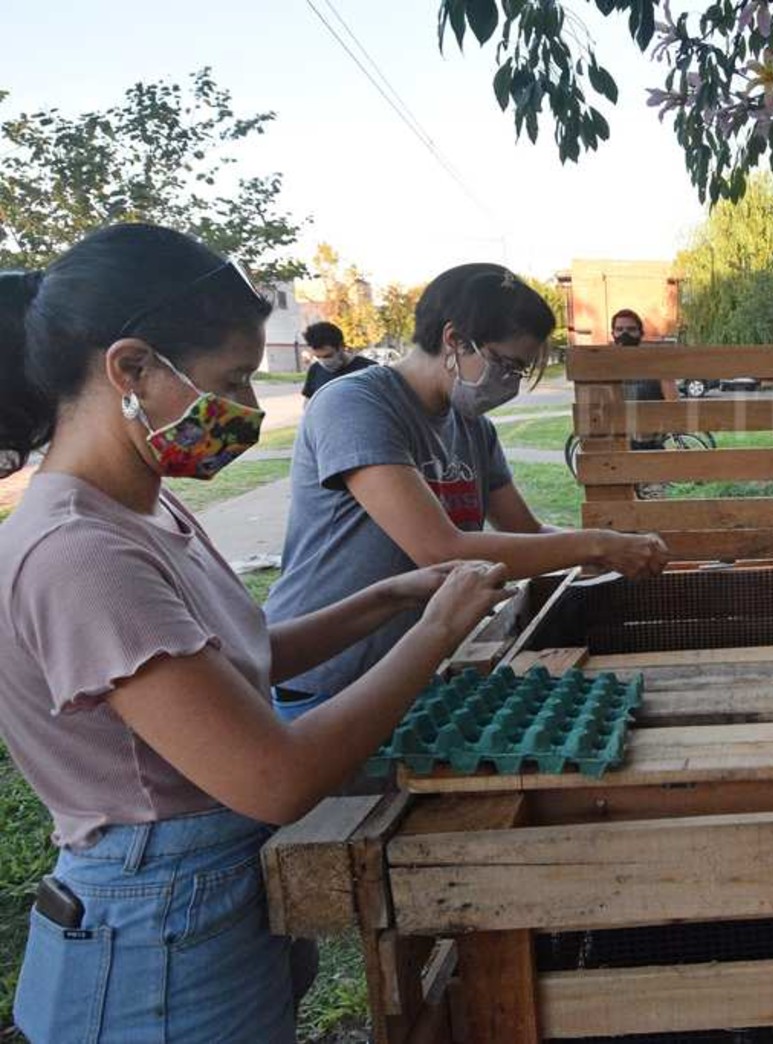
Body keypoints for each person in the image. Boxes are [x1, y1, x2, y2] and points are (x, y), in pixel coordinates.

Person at [0, 224, 511, 1042]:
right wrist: (435, 633)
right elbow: (273, 777)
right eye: (232, 379)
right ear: (131, 368)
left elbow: (241, 660)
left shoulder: (143, 509)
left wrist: (385, 599)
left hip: (207, 896)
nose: (243, 409)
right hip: (155, 931)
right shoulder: (80, 551)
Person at [264, 266, 669, 721]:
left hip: (414, 669)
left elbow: (527, 532)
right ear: (455, 340)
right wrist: (595, 543)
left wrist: (610, 554)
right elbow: (439, 550)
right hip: (331, 675)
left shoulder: (474, 430)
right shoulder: (356, 405)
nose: (511, 384)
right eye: (506, 364)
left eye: (520, 370)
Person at [611, 308, 679, 451]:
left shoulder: (655, 365)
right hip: (616, 445)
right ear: (613, 334)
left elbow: (673, 402)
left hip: (650, 445)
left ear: (640, 333)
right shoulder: (606, 368)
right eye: (620, 329)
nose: (625, 334)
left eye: (631, 329)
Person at [300, 319, 375, 399]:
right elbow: (309, 402)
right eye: (318, 357)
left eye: (328, 356)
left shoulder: (369, 370)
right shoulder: (315, 370)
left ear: (341, 347)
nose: (323, 361)